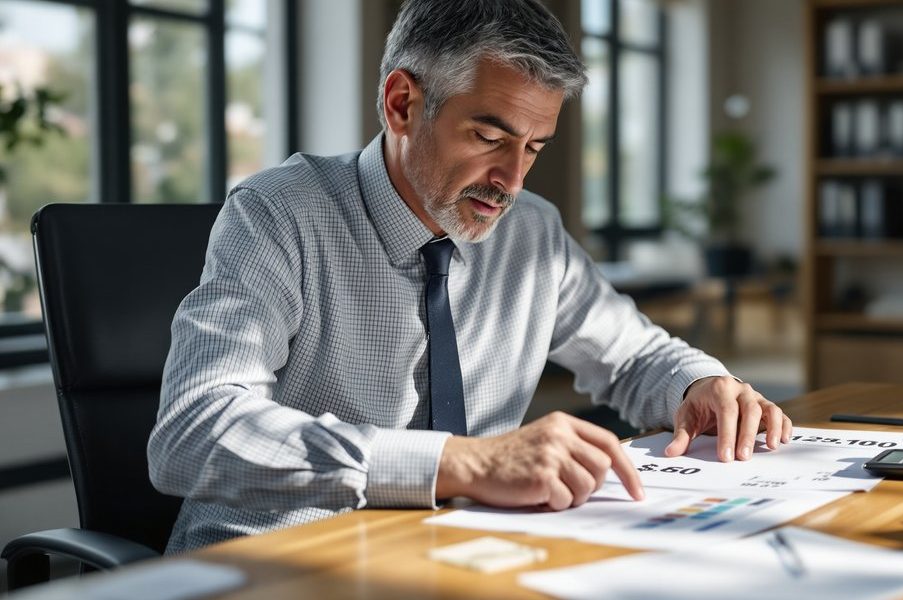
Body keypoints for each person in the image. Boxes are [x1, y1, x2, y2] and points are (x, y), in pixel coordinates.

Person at [148, 0, 793, 553]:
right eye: (490, 136)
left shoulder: (532, 233)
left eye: (533, 149)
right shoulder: (280, 212)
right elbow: (193, 430)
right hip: (280, 567)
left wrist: (699, 384)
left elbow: (631, 357)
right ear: (402, 104)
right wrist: (462, 463)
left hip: (457, 559)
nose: (511, 181)